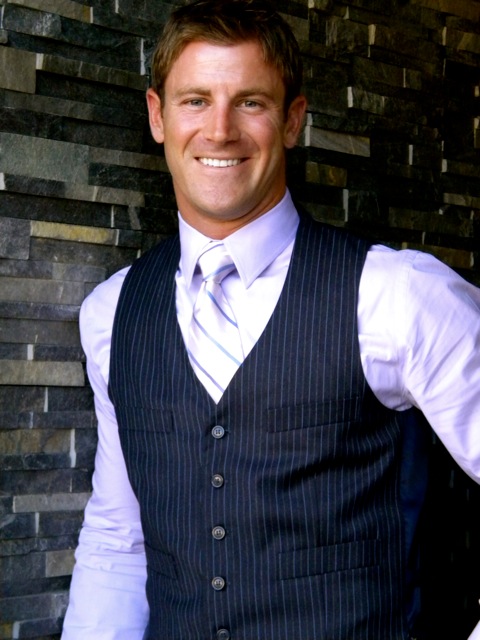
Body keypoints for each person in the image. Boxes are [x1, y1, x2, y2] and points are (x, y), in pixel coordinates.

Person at [62, 1, 480, 638]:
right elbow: (119, 540)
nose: (220, 130)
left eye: (250, 102)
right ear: (157, 116)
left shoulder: (396, 294)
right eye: (195, 100)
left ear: (292, 120)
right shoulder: (111, 314)